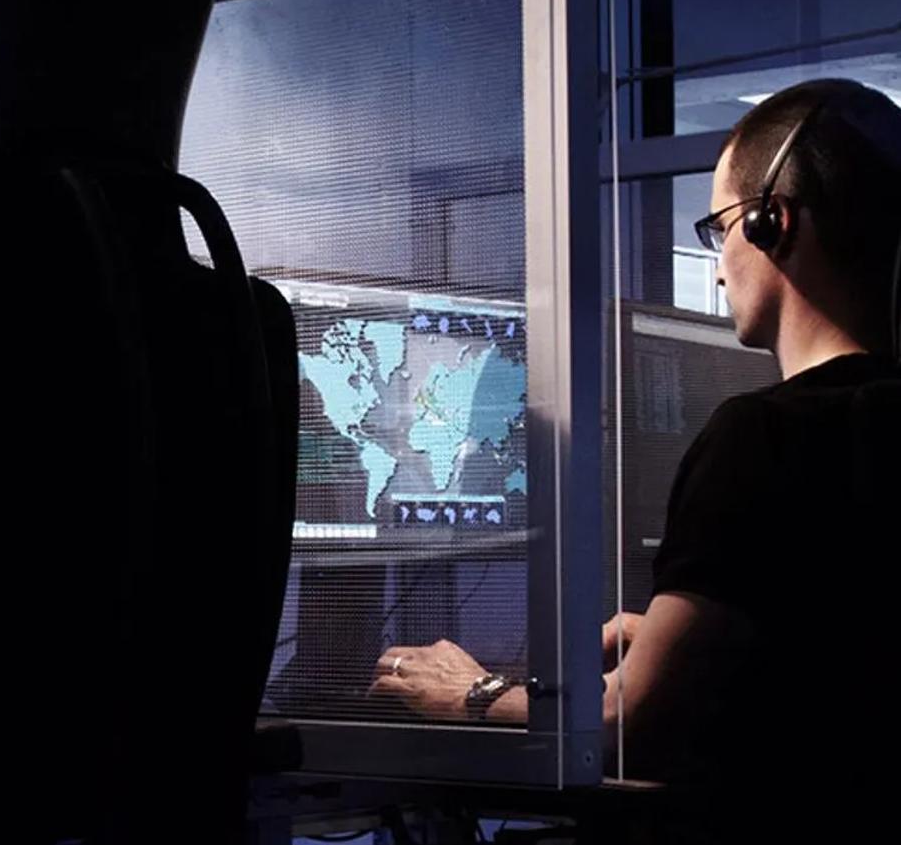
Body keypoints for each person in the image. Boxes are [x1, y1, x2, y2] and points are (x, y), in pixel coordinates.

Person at [370, 78, 901, 812]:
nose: (717, 264)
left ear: (770, 223)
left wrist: (473, 691)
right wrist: (692, 634)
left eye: (718, 229)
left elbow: (627, 725)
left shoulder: (763, 437)